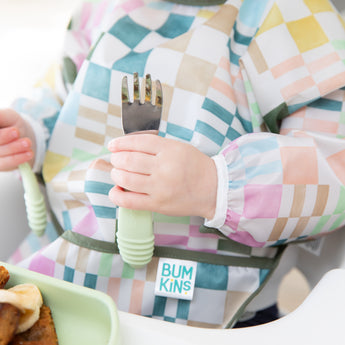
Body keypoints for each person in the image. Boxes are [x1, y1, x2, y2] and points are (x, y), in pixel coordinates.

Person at [1, 0, 345, 328]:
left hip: (210, 304)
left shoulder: (292, 20)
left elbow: (333, 168)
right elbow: (62, 94)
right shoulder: (100, 9)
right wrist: (30, 130)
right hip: (70, 270)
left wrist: (214, 185)